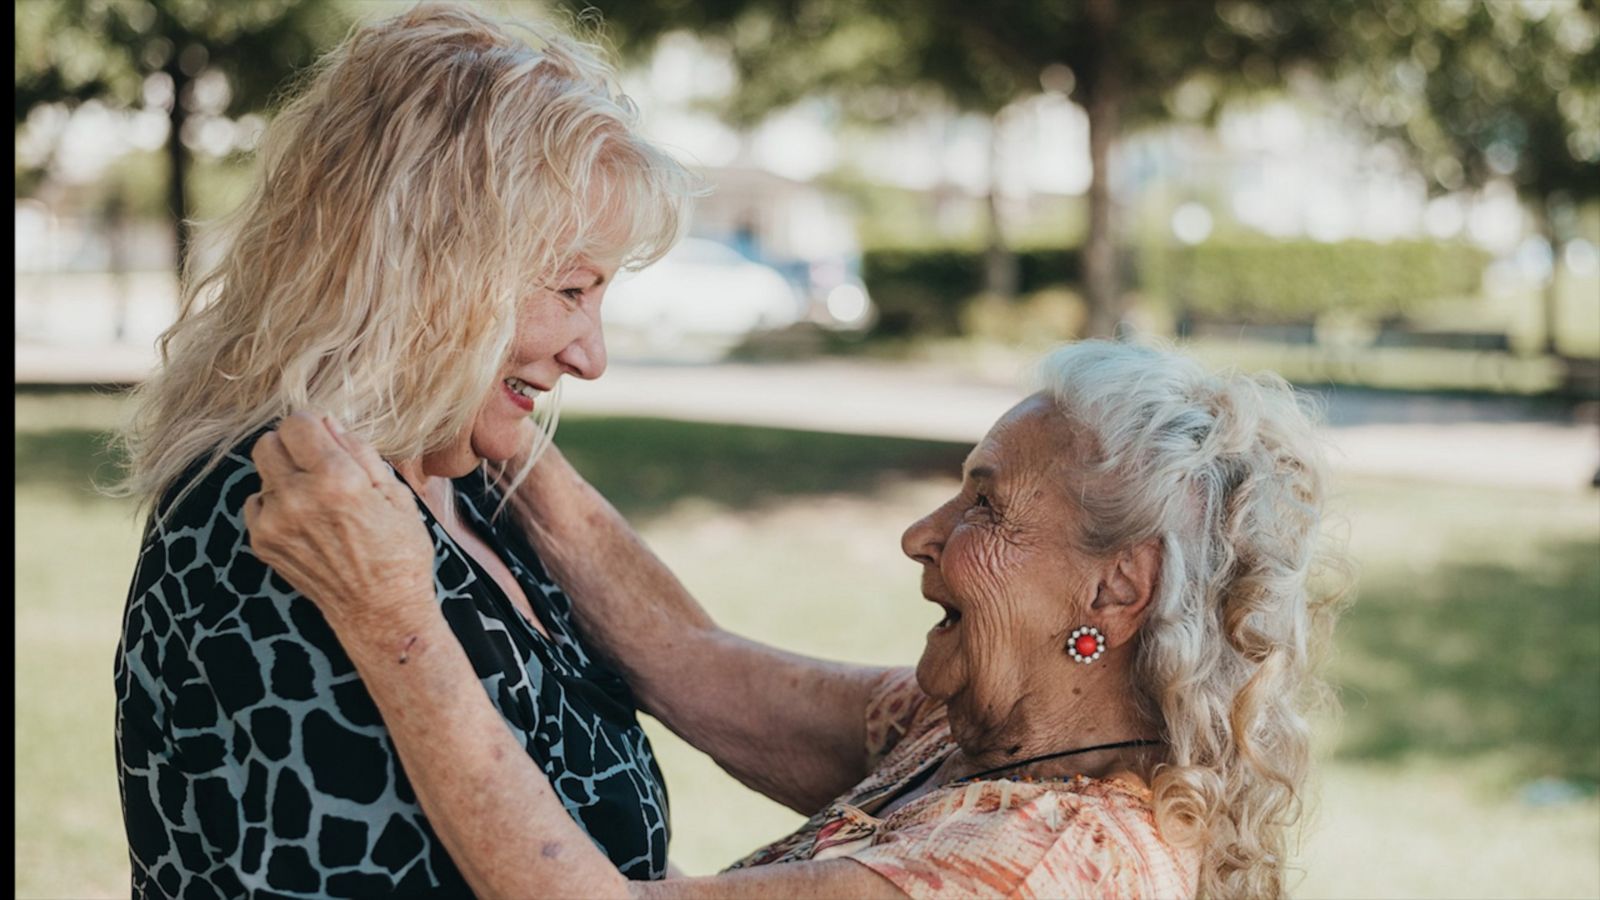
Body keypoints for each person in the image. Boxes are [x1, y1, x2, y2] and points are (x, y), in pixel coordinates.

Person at [248, 340, 1348, 898]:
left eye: (984, 504)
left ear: (1117, 589)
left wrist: (386, 607)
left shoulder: (1034, 869)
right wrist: (502, 418)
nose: (921, 535)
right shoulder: (970, 736)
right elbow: (692, 658)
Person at [110, 4, 697, 896]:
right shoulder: (285, 514)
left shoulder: (474, 493)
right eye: (571, 288)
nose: (592, 355)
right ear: (433, 271)